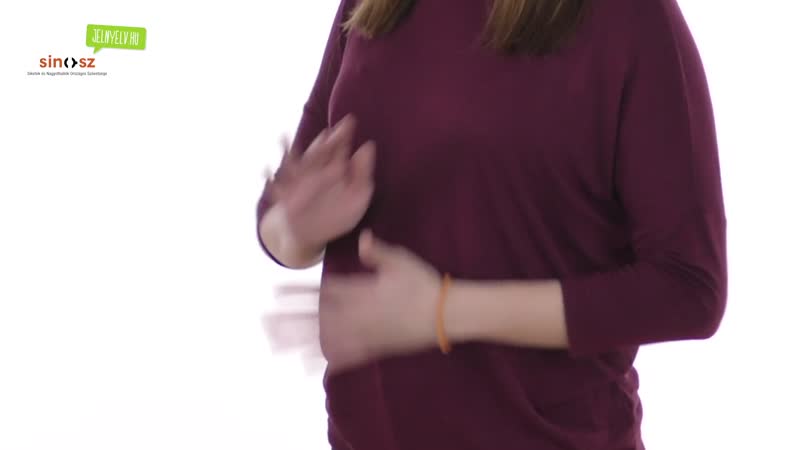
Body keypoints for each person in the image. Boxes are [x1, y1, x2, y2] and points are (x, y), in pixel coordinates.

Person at [256, 0, 727, 448]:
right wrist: (297, 227)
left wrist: (447, 311)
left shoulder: (630, 17)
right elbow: (276, 222)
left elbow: (690, 286)